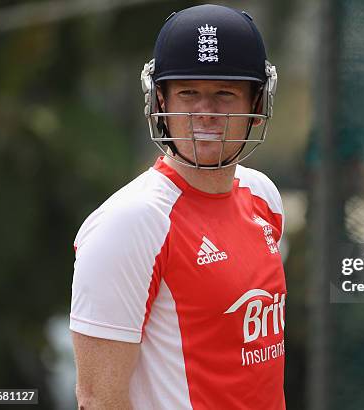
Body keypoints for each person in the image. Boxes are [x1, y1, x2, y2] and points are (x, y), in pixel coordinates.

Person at [69, 4, 286, 409]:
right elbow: (98, 399)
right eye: (188, 93)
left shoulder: (263, 198)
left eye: (225, 93)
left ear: (256, 103)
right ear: (159, 100)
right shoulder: (132, 222)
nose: (205, 113)